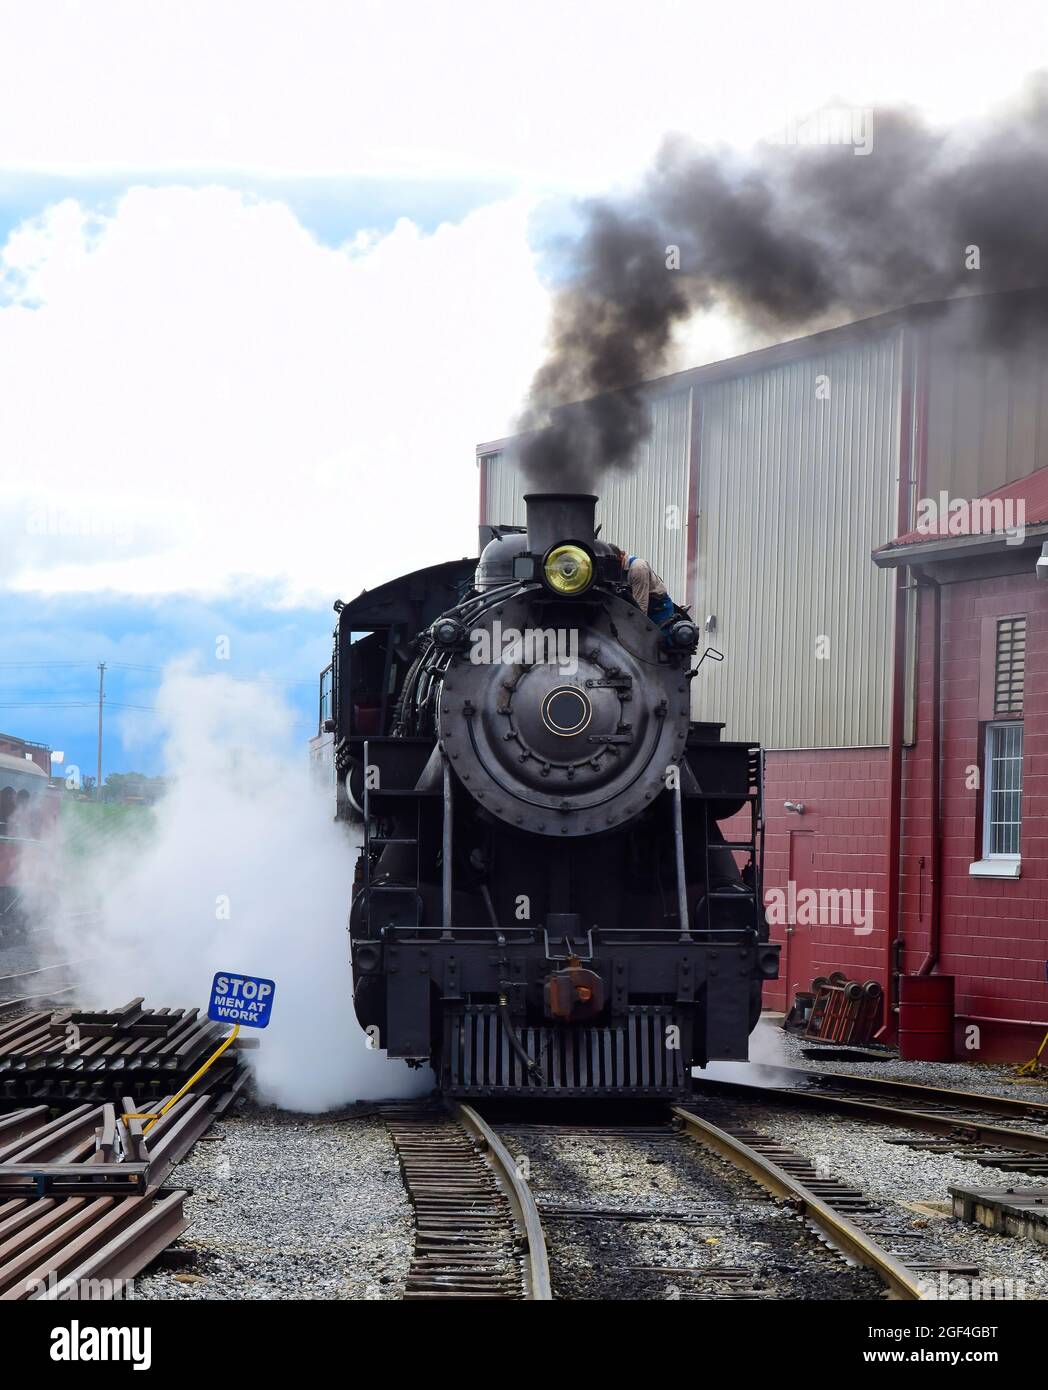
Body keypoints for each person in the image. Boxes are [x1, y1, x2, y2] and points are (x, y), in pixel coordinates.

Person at [608, 545, 677, 626]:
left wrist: (636, 628)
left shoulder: (638, 568)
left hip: (658, 610)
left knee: (659, 637)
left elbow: (641, 605)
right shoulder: (615, 569)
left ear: (621, 557)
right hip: (635, 608)